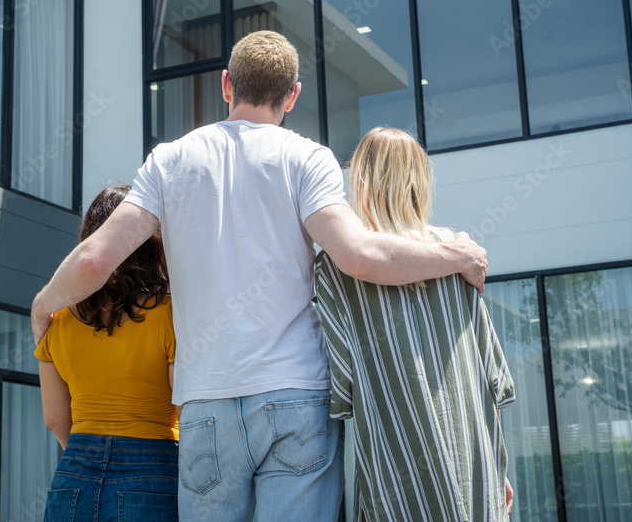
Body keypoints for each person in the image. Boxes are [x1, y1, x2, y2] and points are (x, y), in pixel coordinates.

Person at [31, 30, 489, 521]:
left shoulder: (169, 160)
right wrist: (455, 255)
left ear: (226, 84)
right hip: (295, 398)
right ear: (291, 94)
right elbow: (359, 256)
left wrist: (43, 305)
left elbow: (95, 262)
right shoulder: (307, 158)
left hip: (206, 406)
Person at [314, 127, 514, 522]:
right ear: (419, 182)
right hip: (473, 466)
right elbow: (490, 374)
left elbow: (341, 387)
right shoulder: (460, 254)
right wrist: (499, 464)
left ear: (360, 180)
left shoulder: (335, 268)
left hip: (394, 476)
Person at [35, 185, 180, 522]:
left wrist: (90, 454)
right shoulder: (170, 315)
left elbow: (55, 419)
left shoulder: (58, 319)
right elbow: (185, 409)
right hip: (153, 467)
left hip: (73, 472)